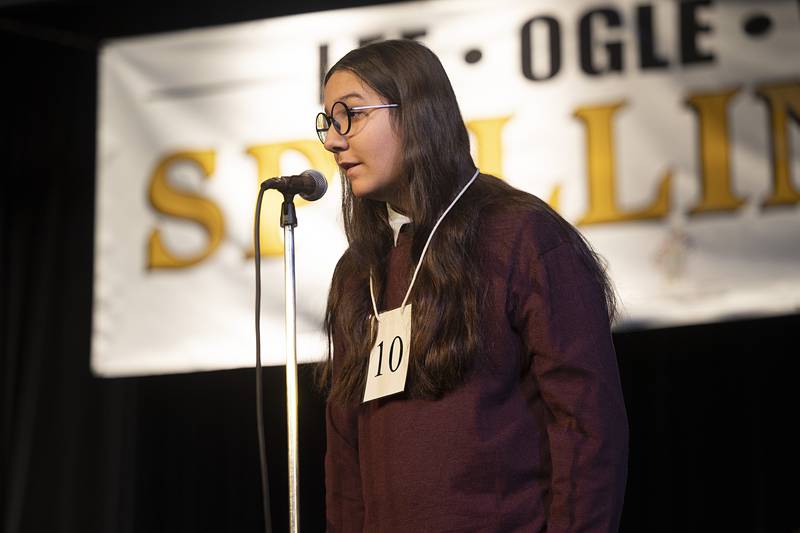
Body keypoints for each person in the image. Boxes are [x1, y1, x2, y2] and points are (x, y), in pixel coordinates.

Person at [316, 39, 628, 532]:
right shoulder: (357, 273)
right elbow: (344, 462)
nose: (334, 140)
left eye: (349, 115)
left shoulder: (520, 235)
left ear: (415, 113)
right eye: (327, 123)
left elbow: (585, 425)